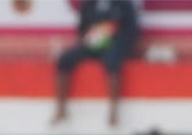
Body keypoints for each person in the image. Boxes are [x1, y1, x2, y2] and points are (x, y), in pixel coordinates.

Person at [54, 0, 140, 128]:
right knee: (64, 60)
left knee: (113, 61)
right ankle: (61, 109)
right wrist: (94, 37)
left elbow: (131, 31)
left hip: (115, 45)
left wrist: (113, 38)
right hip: (93, 43)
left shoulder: (123, 5)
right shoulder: (89, 5)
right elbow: (82, 28)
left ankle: (113, 111)